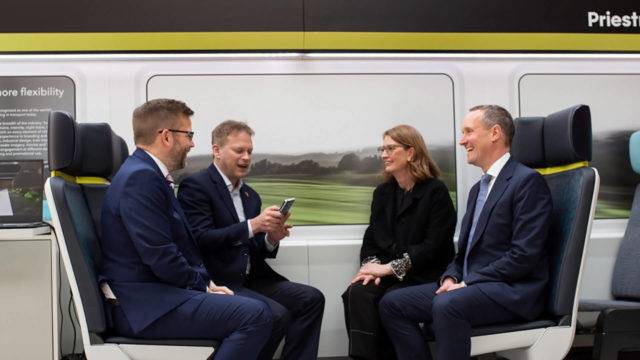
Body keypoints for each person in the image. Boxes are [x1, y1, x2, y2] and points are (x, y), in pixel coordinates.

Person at [100, 99, 273, 360]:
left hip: (156, 295)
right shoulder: (140, 178)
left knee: (256, 308)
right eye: (188, 134)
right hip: (146, 305)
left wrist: (206, 282)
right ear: (166, 136)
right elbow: (161, 255)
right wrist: (202, 286)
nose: (192, 143)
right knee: (255, 315)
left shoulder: (147, 174)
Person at [378, 105, 553, 360]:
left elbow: (523, 256)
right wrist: (451, 277)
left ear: (495, 133)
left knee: (447, 305)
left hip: (512, 290)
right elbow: (465, 251)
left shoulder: (526, 182)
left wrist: (468, 282)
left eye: (468, 132)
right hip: (474, 284)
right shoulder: (477, 190)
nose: (462, 141)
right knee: (392, 304)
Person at [177, 120, 325, 360]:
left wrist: (271, 238)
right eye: (239, 150)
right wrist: (252, 225)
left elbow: (254, 248)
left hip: (253, 278)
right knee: (276, 314)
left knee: (311, 299)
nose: (246, 157)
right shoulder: (196, 186)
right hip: (218, 280)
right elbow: (200, 239)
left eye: (250, 151)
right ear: (217, 150)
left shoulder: (250, 195)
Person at [341, 124, 456, 360]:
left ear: (411, 153)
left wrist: (387, 269)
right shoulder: (383, 193)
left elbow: (431, 248)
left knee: (385, 299)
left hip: (425, 273)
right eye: (382, 148)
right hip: (390, 272)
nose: (383, 155)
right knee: (358, 292)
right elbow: (371, 237)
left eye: (391, 148)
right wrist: (370, 267)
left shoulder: (436, 192)